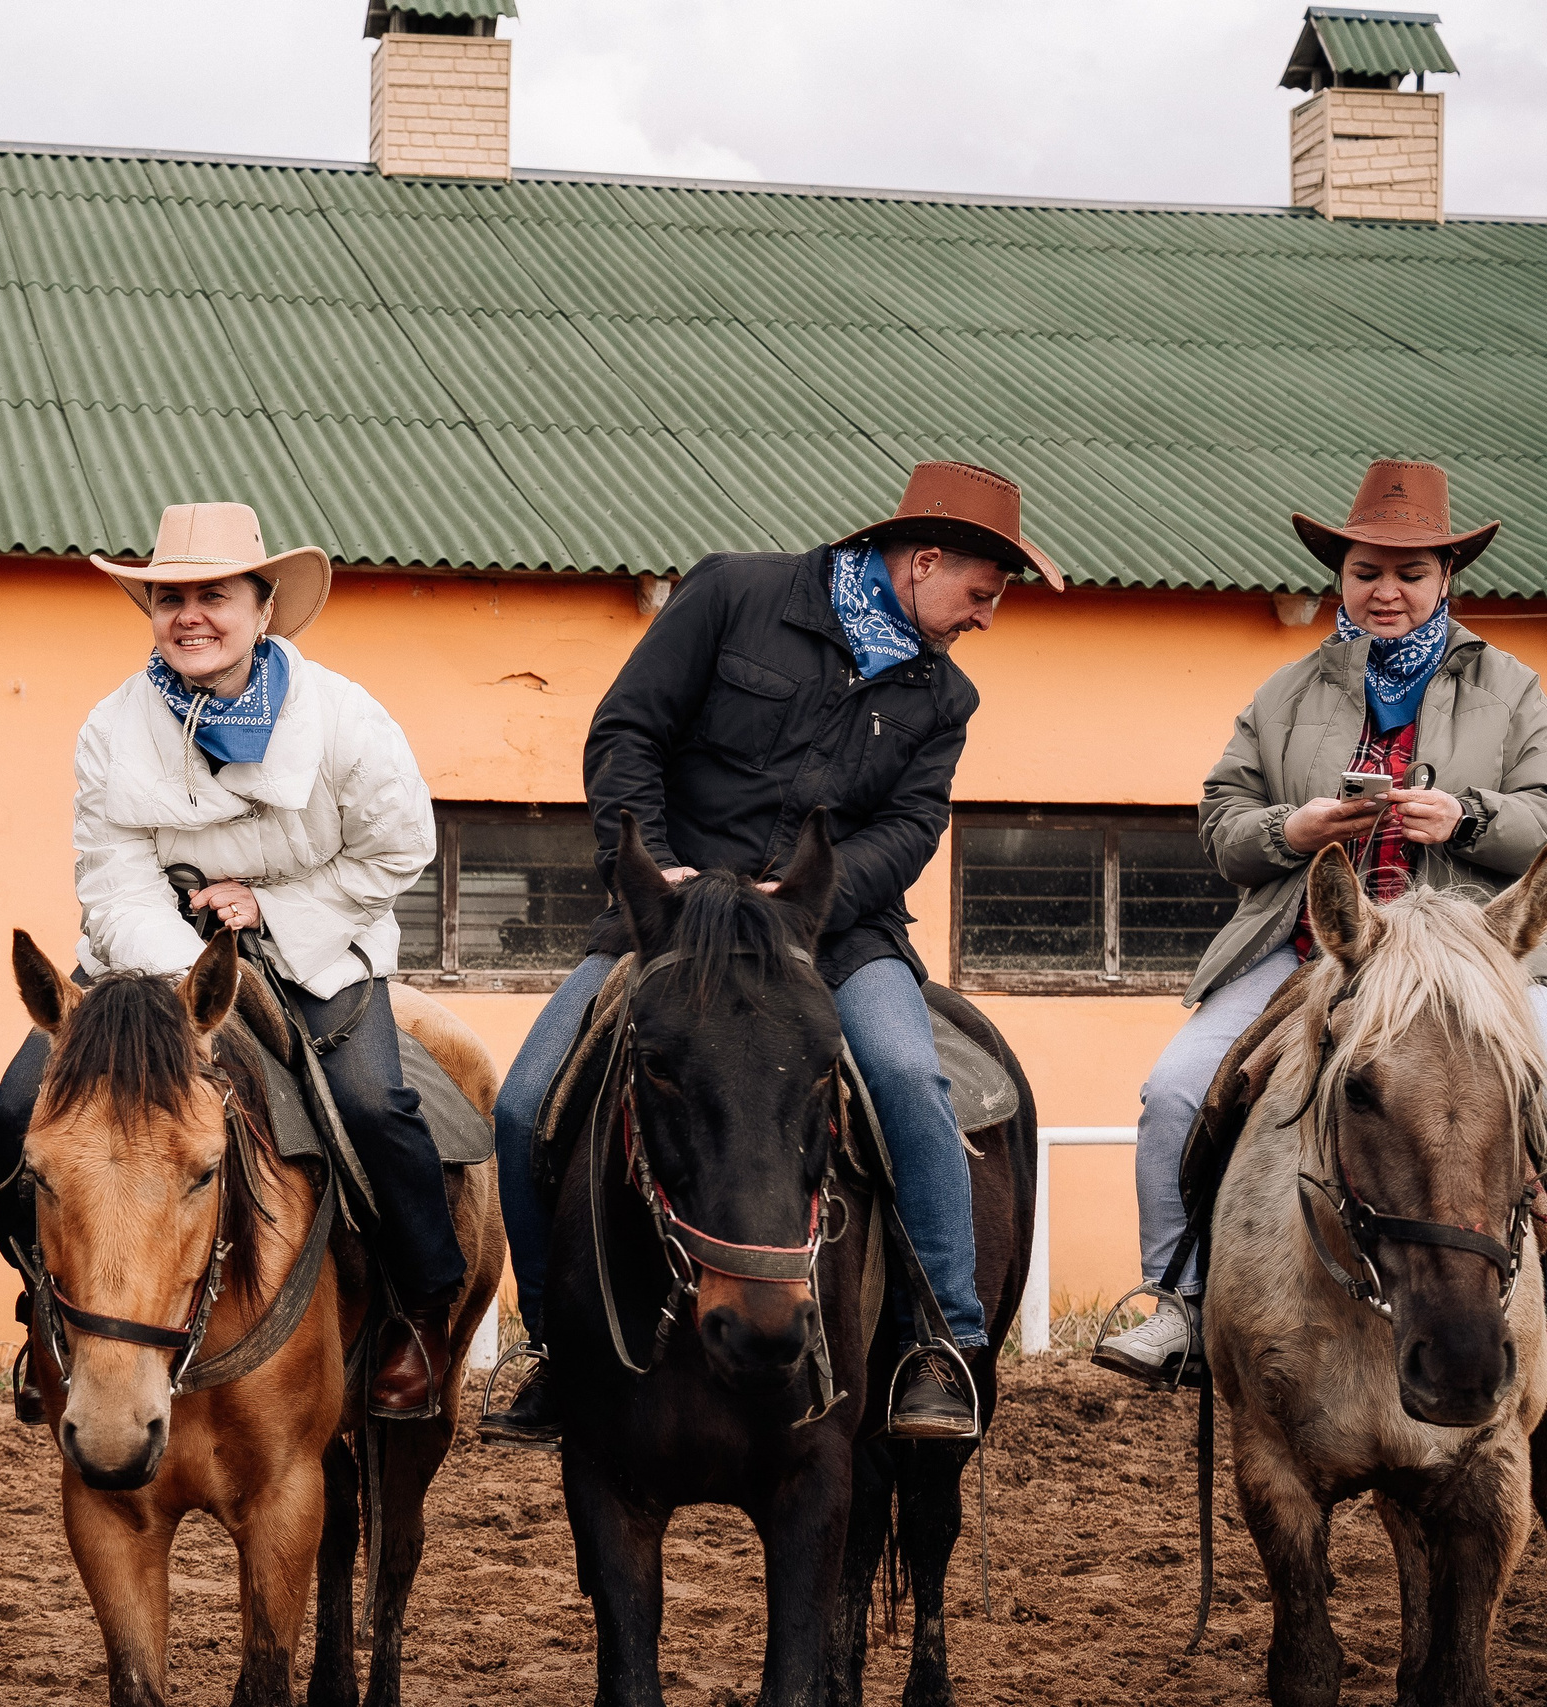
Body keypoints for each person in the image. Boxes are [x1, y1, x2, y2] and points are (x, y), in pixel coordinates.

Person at [481, 461, 1066, 1448]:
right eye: (981, 592)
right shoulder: (731, 593)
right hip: (671, 927)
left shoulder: (942, 699)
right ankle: (553, 1347)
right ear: (923, 560)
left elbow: (910, 829)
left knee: (910, 1082)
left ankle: (941, 1343)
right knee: (524, 1101)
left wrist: (805, 902)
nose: (985, 617)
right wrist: (657, 870)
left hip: (834, 937)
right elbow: (628, 734)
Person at [0, 501, 463, 1419]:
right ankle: (51, 1308)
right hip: (152, 963)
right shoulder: (111, 727)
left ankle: (421, 1306)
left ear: (263, 608)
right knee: (15, 1111)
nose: (190, 615)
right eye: (170, 598)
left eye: (214, 594)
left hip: (316, 945)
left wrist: (271, 905)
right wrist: (187, 987)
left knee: (373, 1106)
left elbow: (400, 849)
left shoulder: (346, 718)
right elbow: (113, 877)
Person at [1096, 459, 1544, 1384]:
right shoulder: (1284, 694)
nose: (1387, 592)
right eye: (1366, 571)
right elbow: (1222, 823)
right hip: (1314, 955)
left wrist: (1470, 818)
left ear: (1447, 578)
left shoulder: (1517, 689)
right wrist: (1289, 828)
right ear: (1339, 573)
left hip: (1468, 964)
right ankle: (1177, 1300)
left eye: (1409, 573)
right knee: (1176, 1090)